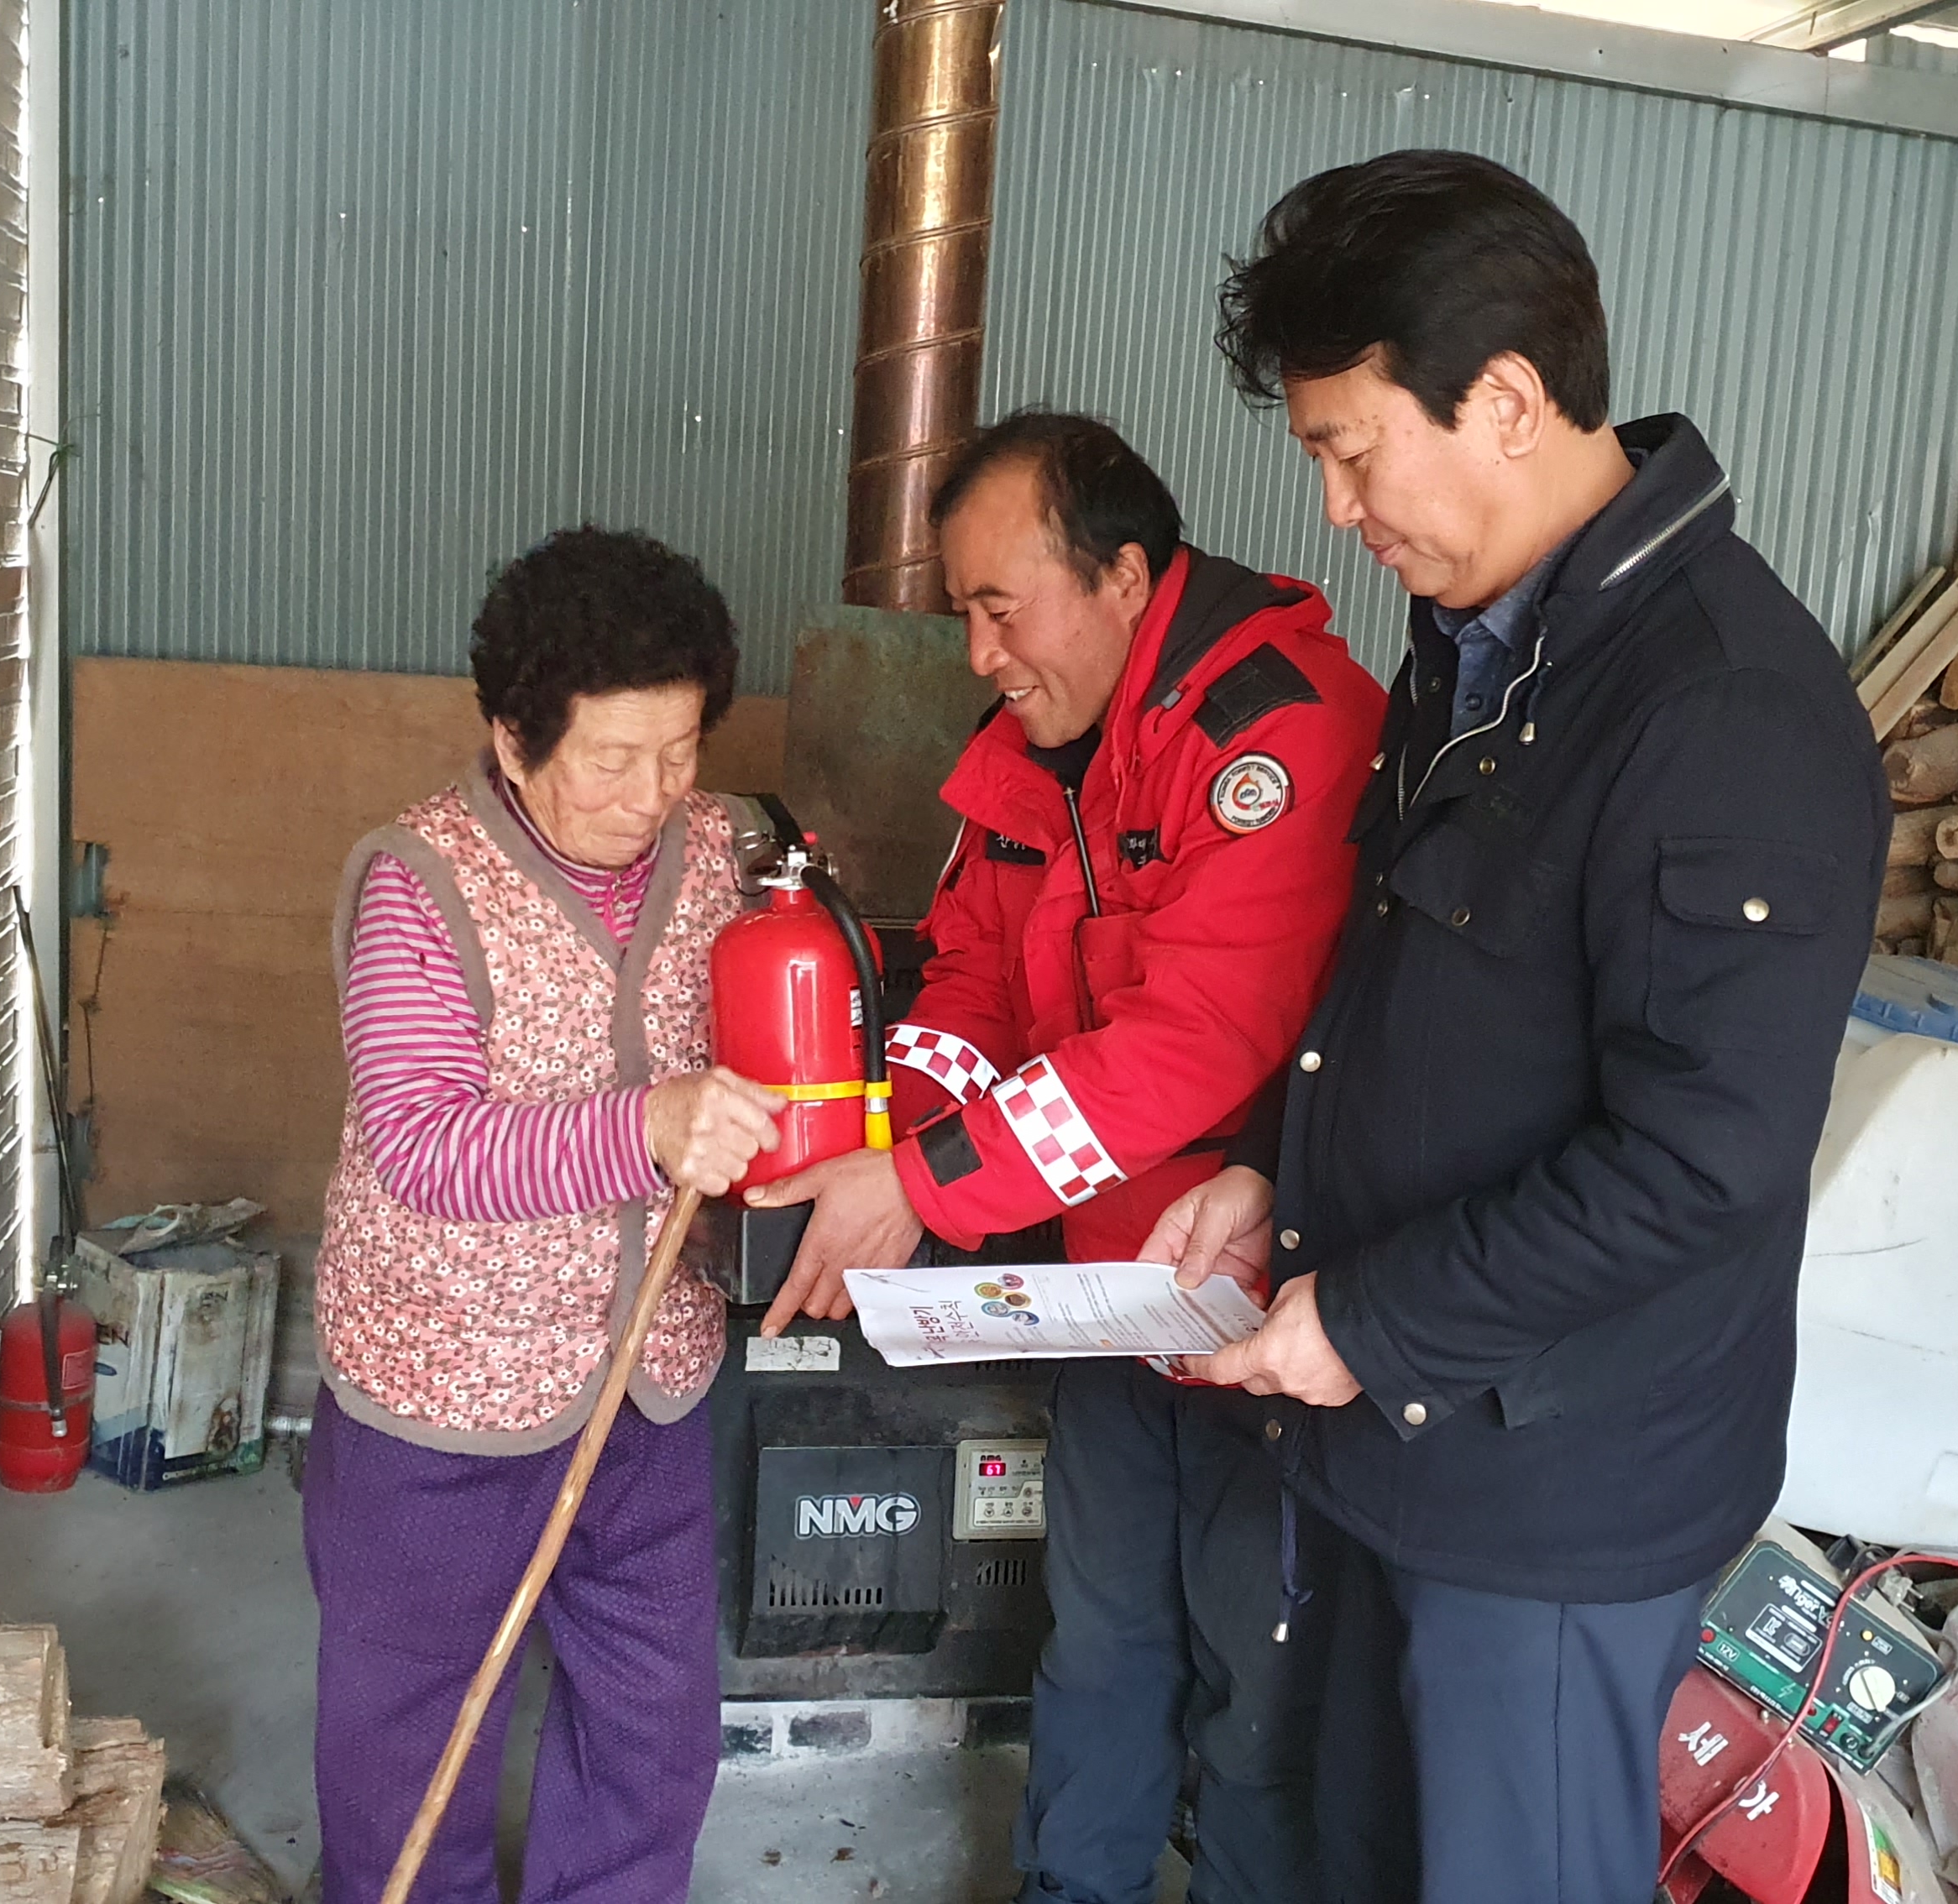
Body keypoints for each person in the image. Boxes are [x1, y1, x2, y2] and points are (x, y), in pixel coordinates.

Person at [1139, 151, 1888, 1903]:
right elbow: (1417, 997)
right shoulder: (1486, 646)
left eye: (1350, 448)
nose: (1334, 507)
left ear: (1505, 401)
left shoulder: (1723, 707)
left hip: (1557, 1487)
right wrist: (1268, 1175)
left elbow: (1706, 1154)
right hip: (1405, 1440)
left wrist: (1376, 1318)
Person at [749, 411, 1385, 1903]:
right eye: (960, 611)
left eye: (994, 606)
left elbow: (1197, 1045)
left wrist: (925, 1187)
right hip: (1106, 1291)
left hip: (1263, 1302)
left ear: (1118, 577)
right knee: (1098, 1641)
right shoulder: (1028, 759)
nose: (976, 652)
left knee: (1258, 1676)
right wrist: (898, 1139)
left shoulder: (1278, 731)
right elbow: (967, 985)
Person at [302, 526, 786, 1904]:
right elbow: (423, 1145)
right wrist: (645, 1127)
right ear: (513, 740)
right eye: (613, 759)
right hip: (440, 1399)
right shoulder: (421, 880)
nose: (656, 795)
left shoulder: (725, 851)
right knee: (411, 1750)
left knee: (651, 1729)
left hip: (650, 1381)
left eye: (682, 750)